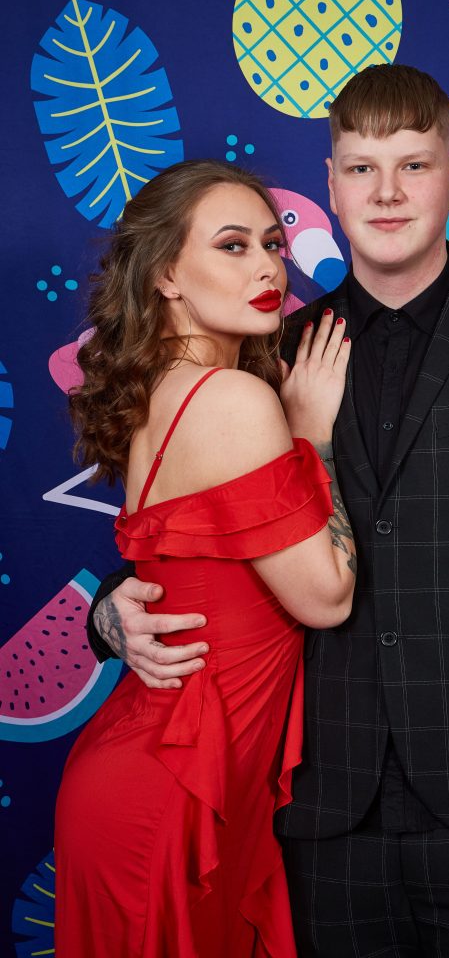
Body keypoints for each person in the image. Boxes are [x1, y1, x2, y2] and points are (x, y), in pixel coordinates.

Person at [86, 66, 449, 956]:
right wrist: (111, 611)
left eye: (412, 165)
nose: (386, 192)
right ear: (332, 185)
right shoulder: (264, 352)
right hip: (315, 812)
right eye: (359, 168)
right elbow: (199, 529)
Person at [55, 159, 357, 958]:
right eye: (231, 246)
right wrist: (312, 438)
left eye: (272, 244)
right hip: (173, 791)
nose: (267, 268)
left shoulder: (166, 389)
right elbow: (326, 597)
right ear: (164, 275)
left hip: (158, 769)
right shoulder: (231, 399)